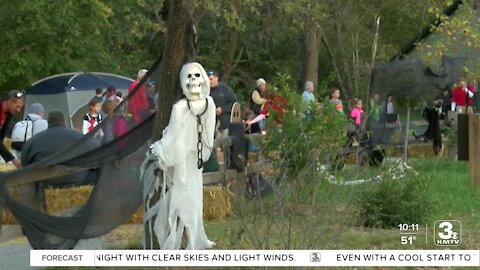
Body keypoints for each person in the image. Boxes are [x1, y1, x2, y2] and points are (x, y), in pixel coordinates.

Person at [0, 91, 25, 168]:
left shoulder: (9, 113)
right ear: (9, 102)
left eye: (20, 107)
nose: (19, 110)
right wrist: (13, 159)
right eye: (17, 106)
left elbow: (1, 137)